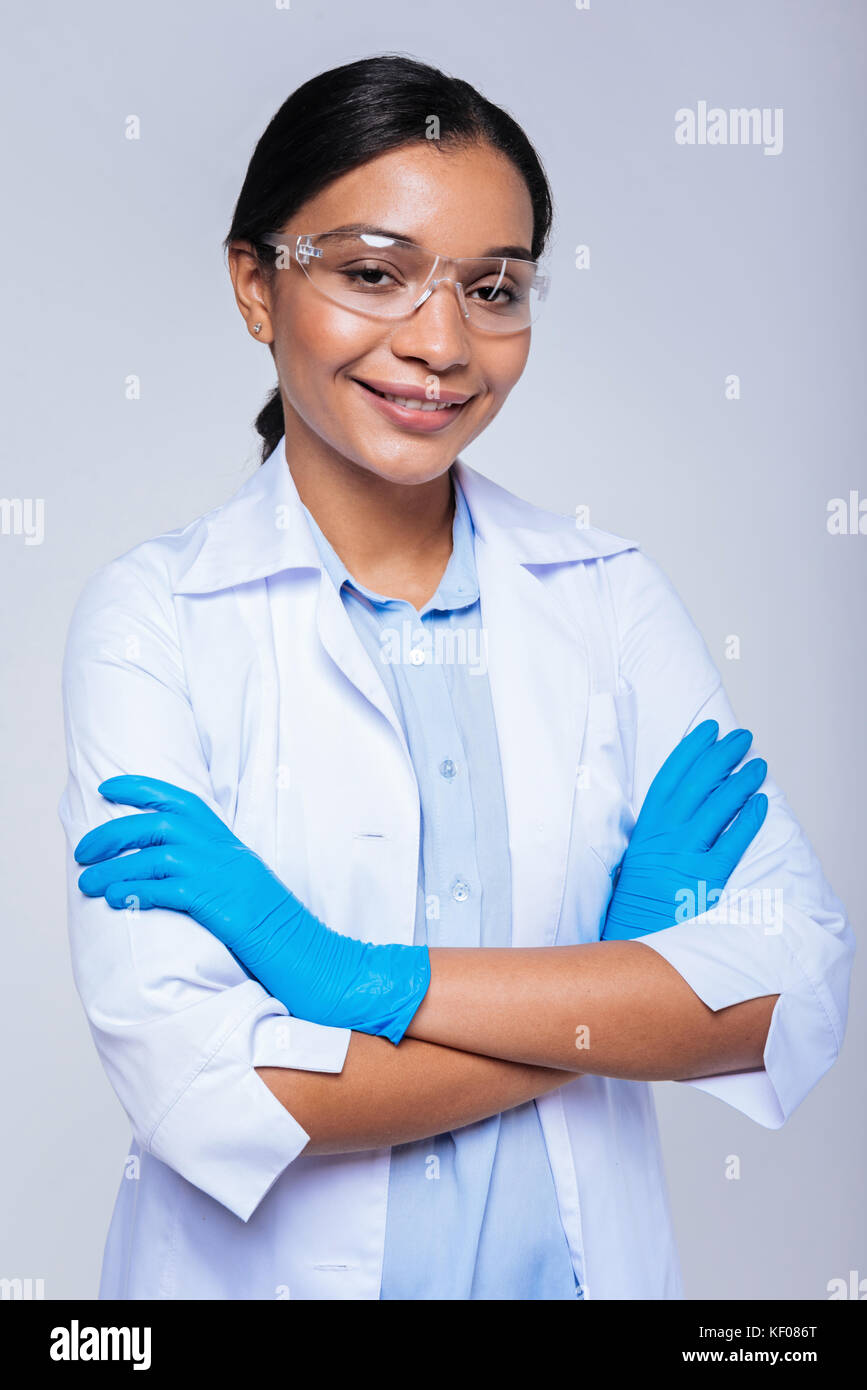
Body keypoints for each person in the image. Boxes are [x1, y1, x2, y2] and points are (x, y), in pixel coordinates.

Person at [58, 54, 853, 1301]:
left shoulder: (609, 597)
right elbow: (206, 1091)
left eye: (493, 288)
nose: (440, 343)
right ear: (257, 285)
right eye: (374, 274)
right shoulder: (154, 620)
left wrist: (358, 981)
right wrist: (614, 983)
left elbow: (792, 986)